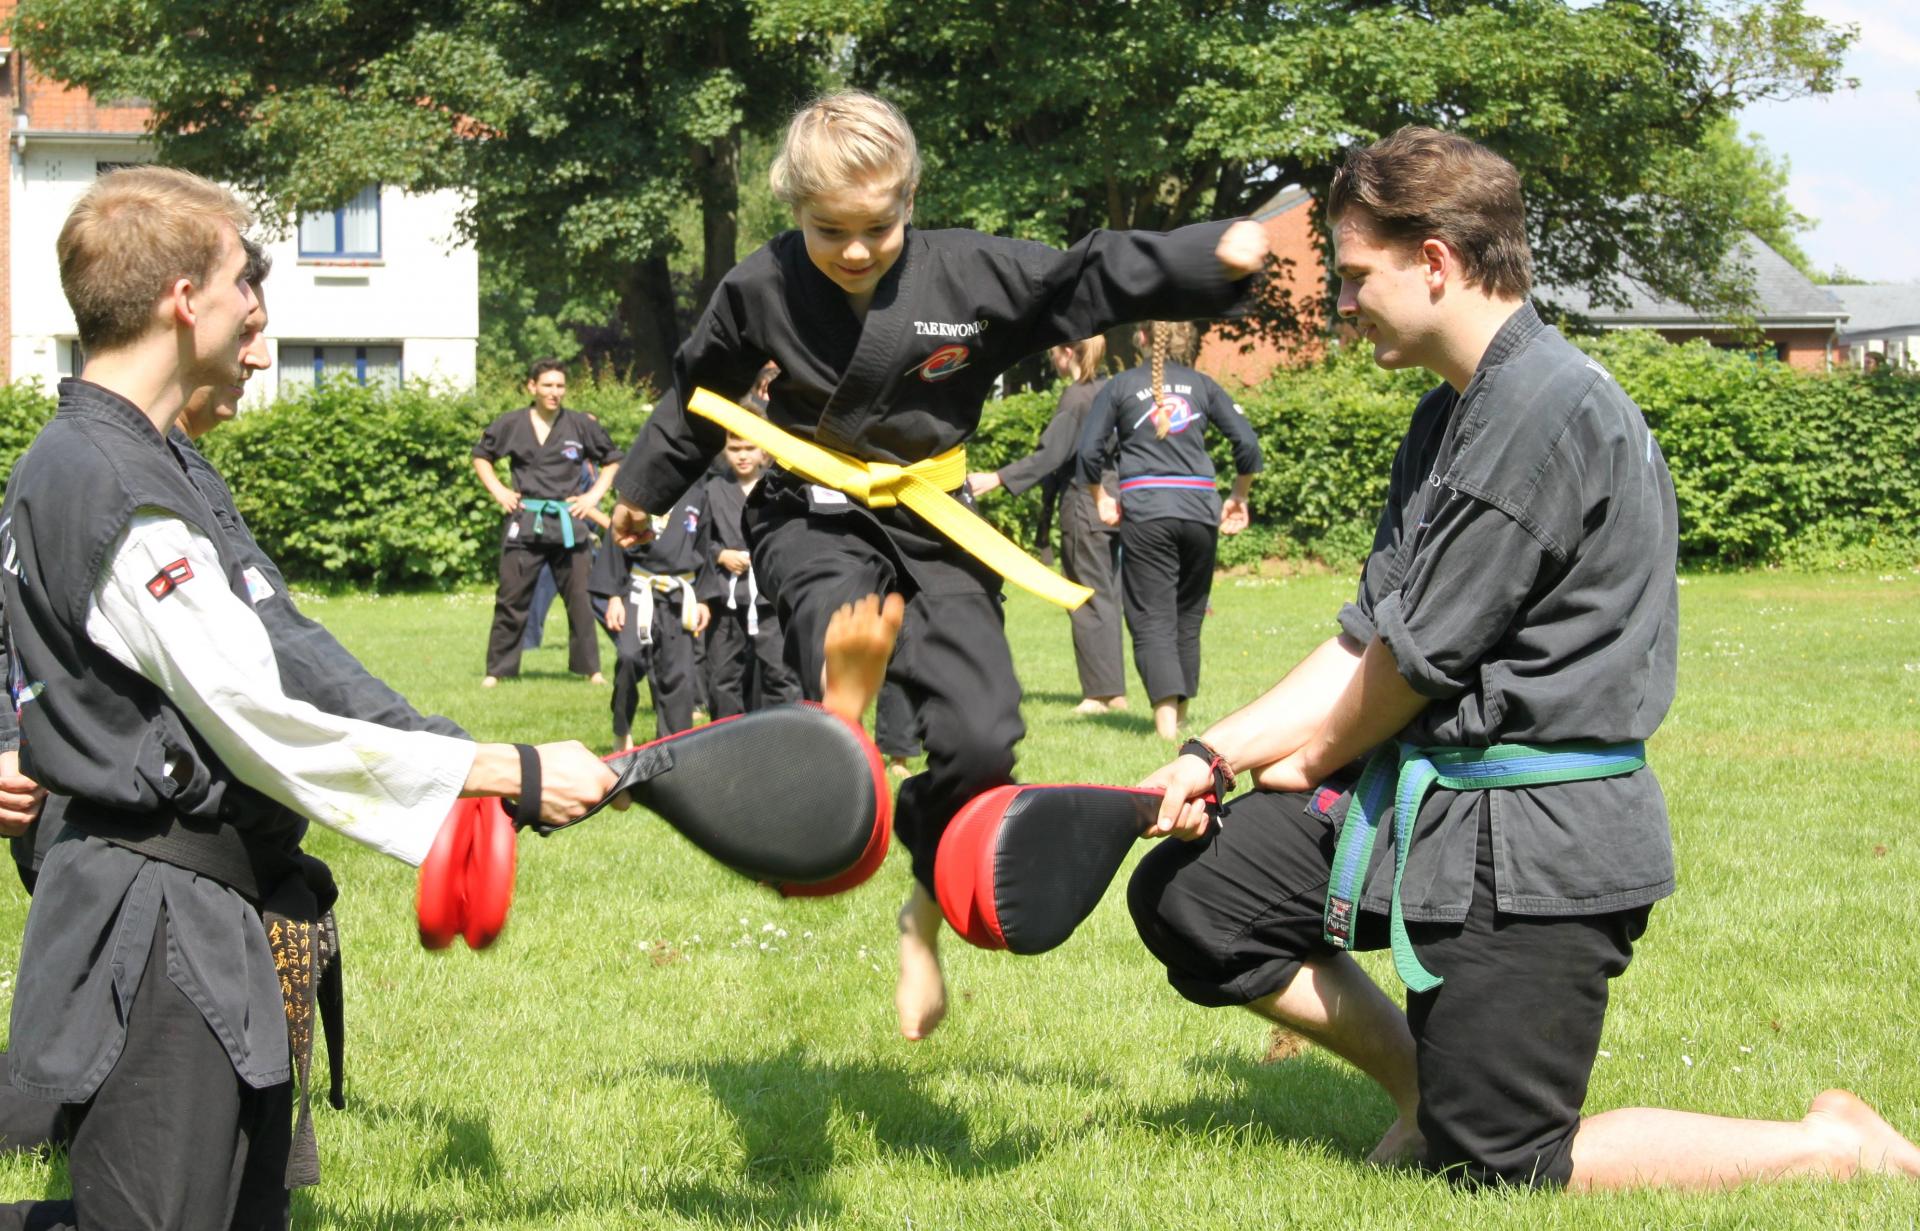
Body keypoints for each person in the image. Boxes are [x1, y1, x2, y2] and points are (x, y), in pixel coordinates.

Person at [1125, 127, 1920, 1190]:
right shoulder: (1450, 415)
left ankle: (1833, 1145)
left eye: (1357, 276)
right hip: (1436, 810)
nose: (1343, 304)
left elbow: (1406, 668)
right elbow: (1366, 634)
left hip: (1537, 845)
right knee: (1199, 893)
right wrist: (1214, 756)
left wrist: (1309, 758)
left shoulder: (1542, 414)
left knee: (1504, 1166)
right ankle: (1426, 1090)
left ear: (1439, 262)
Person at [0, 166, 616, 1231]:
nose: (258, 313)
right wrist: (499, 769)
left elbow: (288, 650)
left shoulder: (151, 461)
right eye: (246, 282)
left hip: (203, 917)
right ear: (183, 298)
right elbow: (258, 718)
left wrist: (448, 754)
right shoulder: (107, 482)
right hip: (153, 929)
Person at [610, 89, 1269, 1040]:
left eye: (877, 226)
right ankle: (837, 717)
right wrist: (646, 489)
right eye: (828, 229)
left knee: (984, 735)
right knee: (838, 608)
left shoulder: (971, 273)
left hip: (935, 519)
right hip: (810, 510)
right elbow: (696, 390)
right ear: (794, 209)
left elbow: (1087, 278)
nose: (854, 249)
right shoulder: (758, 287)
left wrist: (1203, 258)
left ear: (909, 200)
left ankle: (920, 909)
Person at [1075, 321, 1260, 741]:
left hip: (1146, 510)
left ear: (1141, 338)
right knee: (1187, 617)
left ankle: (1165, 731)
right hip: (1199, 509)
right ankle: (1180, 719)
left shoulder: (1120, 387)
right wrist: (1239, 496)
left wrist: (1101, 498)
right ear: (1187, 340)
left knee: (1151, 617)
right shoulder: (1203, 385)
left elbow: (1088, 452)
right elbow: (1247, 444)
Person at [967, 337, 1126, 715]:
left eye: (1053, 352)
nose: (1053, 359)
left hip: (1085, 504)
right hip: (1117, 500)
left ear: (1067, 353)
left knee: (1083, 595)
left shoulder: (1076, 398)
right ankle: (1114, 691)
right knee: (1106, 595)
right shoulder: (1112, 391)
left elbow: (1051, 455)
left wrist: (998, 477)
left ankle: (1098, 695)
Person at [472, 359, 622, 687]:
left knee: (581, 599)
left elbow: (611, 459)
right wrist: (499, 490)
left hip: (570, 524)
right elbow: (481, 455)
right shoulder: (511, 423)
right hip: (527, 520)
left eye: (560, 386)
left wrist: (592, 497)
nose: (555, 392)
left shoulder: (580, 425)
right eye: (548, 385)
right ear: (532, 387)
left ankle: (591, 669)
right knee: (511, 598)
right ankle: (497, 671)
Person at [592, 483, 710, 750]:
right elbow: (614, 544)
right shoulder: (640, 490)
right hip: (639, 590)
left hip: (681, 593)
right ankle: (621, 727)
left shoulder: (699, 494)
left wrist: (703, 598)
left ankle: (674, 743)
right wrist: (613, 596)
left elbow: (705, 543)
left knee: (677, 671)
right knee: (628, 657)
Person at [696, 433, 801, 718]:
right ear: (725, 452)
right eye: (734, 449)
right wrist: (720, 555)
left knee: (781, 673)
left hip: (770, 597)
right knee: (722, 676)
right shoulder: (713, 489)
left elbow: (794, 537)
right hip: (726, 598)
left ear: (762, 451)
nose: (742, 456)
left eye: (749, 448)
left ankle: (785, 738)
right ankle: (727, 744)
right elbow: (700, 539)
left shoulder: (778, 487)